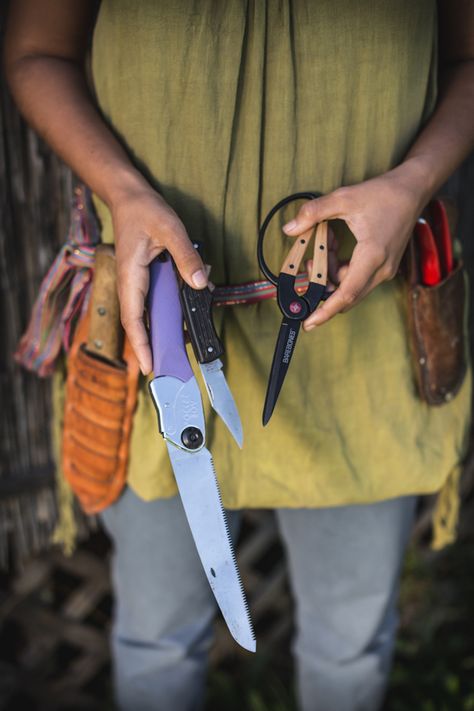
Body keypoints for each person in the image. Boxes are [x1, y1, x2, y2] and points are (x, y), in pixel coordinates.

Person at [4, 2, 474, 710]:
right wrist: (126, 194)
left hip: (363, 331)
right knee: (158, 636)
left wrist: (412, 183)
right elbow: (35, 51)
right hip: (155, 334)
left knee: (350, 645)